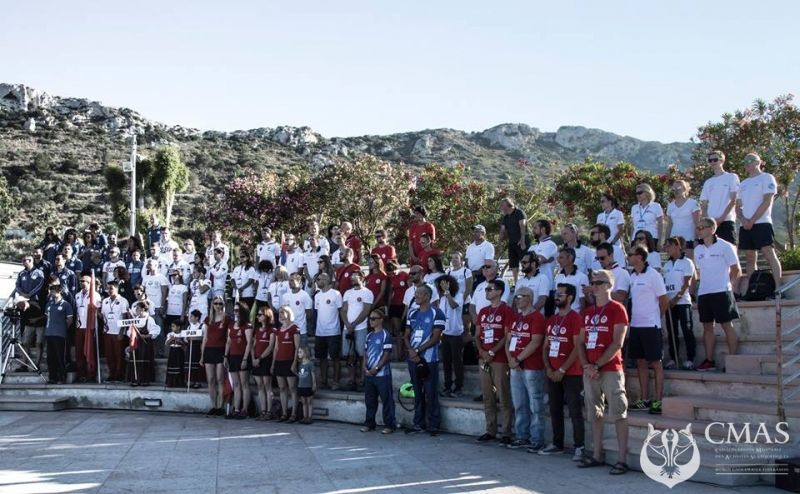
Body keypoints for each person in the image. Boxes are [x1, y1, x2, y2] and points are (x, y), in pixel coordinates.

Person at [576, 270, 630, 475]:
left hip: (610, 369)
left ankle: (622, 460)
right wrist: (586, 366)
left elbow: (617, 343)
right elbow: (580, 342)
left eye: (599, 282)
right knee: (594, 414)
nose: (595, 285)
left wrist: (596, 365)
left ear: (609, 285)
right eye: (593, 282)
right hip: (590, 371)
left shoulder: (618, 309)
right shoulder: (587, 312)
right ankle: (597, 454)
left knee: (618, 413)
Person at [540, 284, 584, 459]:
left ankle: (579, 446)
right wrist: (549, 368)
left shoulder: (576, 318)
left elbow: (577, 347)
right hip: (552, 372)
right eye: (556, 294)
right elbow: (545, 346)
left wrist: (562, 369)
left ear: (570, 298)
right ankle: (557, 443)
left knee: (574, 410)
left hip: (571, 373)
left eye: (560, 294)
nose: (556, 297)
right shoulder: (551, 319)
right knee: (554, 409)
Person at [694, 217, 741, 371]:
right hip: (704, 292)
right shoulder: (698, 250)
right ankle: (709, 360)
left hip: (722, 291)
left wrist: (729, 286)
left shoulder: (725, 246)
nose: (699, 230)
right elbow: (699, 271)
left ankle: (732, 361)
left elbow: (736, 269)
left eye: (702, 227)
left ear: (712, 229)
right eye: (698, 227)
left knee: (727, 326)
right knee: (707, 327)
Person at [627, 244, 668, 415]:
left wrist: (656, 318)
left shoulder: (654, 275)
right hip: (636, 326)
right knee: (640, 362)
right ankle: (644, 399)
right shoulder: (632, 276)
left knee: (656, 363)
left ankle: (658, 401)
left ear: (640, 257)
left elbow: (664, 300)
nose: (628, 257)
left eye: (631, 254)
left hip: (651, 326)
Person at [506, 286, 547, 451]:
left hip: (532, 367)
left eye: (519, 297)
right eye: (515, 297)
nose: (516, 300)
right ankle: (521, 436)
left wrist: (517, 359)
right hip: (515, 367)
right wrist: (511, 360)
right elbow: (508, 340)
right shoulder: (515, 318)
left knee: (535, 405)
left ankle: (537, 439)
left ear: (529, 298)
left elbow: (535, 342)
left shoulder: (537, 318)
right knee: (519, 404)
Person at [476, 279, 515, 444]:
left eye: (490, 289)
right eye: (486, 289)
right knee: (487, 395)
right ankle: (490, 429)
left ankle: (506, 431)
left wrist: (492, 351)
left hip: (499, 359)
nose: (487, 292)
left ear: (499, 291)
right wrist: (482, 351)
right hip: (483, 358)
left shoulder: (507, 310)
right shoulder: (483, 311)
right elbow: (477, 334)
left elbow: (507, 336)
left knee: (503, 395)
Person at [737, 152, 782, 291]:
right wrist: (743, 220)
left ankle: (779, 288)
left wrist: (752, 220)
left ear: (759, 162)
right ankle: (753, 289)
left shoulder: (767, 178)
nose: (747, 163)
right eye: (745, 161)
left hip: (762, 222)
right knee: (750, 257)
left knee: (769, 253)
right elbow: (737, 206)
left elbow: (767, 201)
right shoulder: (743, 183)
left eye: (751, 160)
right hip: (745, 225)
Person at [404, 284, 444, 436]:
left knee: (430, 392)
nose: (416, 296)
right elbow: (406, 335)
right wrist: (411, 351)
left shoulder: (437, 313)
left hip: (429, 359)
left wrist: (417, 351)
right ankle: (418, 423)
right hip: (413, 358)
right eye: (416, 294)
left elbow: (436, 337)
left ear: (427, 296)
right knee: (417, 392)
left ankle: (434, 424)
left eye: (419, 294)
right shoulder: (412, 313)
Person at [662, 237, 697, 370]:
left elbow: (687, 283)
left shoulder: (687, 262)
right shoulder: (666, 265)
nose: (666, 249)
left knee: (687, 330)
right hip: (669, 303)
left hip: (683, 302)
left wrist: (677, 298)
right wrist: (667, 300)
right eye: (665, 246)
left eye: (669, 246)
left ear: (677, 246)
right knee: (672, 332)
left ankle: (690, 359)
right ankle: (673, 358)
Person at [361, 308, 396, 433]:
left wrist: (376, 368)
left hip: (382, 375)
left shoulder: (386, 335)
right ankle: (369, 423)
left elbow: (387, 355)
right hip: (369, 374)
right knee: (370, 400)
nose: (371, 321)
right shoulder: (369, 335)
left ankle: (390, 425)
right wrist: (364, 366)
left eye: (373, 319)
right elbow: (365, 353)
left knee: (387, 400)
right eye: (370, 319)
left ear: (381, 320)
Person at [341, 271, 374, 391]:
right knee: (349, 355)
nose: (352, 279)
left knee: (361, 354)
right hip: (347, 328)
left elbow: (366, 311)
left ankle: (362, 380)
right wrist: (347, 324)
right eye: (351, 277)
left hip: (361, 328)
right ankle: (351, 379)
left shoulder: (367, 292)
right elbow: (343, 310)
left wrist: (354, 324)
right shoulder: (347, 293)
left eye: (354, 277)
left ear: (362, 278)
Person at [700, 150, 739, 245]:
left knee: (730, 249)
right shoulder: (708, 182)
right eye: (710, 160)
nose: (712, 162)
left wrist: (721, 218)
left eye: (715, 159)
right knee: (711, 250)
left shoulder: (731, 177)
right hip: (711, 224)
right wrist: (706, 221)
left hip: (727, 220)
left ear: (722, 160)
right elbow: (704, 204)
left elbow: (733, 200)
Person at [313, 273, 343, 390]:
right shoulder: (317, 296)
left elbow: (341, 311)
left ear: (326, 280)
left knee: (335, 358)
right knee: (322, 358)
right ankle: (323, 381)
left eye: (318, 279)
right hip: (320, 332)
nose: (317, 281)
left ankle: (336, 381)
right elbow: (317, 313)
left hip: (333, 331)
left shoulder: (336, 294)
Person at [272, 306, 301, 422]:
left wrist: (294, 363)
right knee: (282, 388)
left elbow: (297, 347)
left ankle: (293, 413)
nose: (280, 315)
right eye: (279, 313)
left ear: (288, 313)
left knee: (292, 388)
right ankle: (284, 413)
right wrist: (273, 363)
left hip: (290, 361)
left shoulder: (294, 328)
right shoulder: (279, 330)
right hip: (279, 361)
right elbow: (276, 348)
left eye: (282, 312)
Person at [224, 301, 253, 419]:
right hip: (233, 356)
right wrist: (225, 356)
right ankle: (236, 409)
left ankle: (244, 409)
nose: (235, 312)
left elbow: (249, 343)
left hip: (242, 356)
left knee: (244, 384)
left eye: (237, 310)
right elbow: (228, 341)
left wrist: (245, 359)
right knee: (236, 384)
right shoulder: (231, 325)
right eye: (234, 310)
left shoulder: (247, 325)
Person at [437, 274, 464, 397]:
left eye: (444, 284)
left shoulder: (458, 295)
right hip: (445, 334)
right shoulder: (442, 299)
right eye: (441, 285)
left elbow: (453, 305)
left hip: (456, 334)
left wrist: (448, 293)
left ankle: (458, 387)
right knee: (446, 362)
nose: (442, 287)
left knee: (457, 362)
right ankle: (447, 386)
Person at [201, 296, 228, 416]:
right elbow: (205, 338)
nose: (218, 306)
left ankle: (220, 406)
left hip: (220, 350)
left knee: (220, 379)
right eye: (216, 303)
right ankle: (214, 405)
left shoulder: (226, 318)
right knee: (210, 380)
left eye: (220, 303)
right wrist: (202, 355)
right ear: (212, 305)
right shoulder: (208, 319)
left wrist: (226, 354)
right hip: (209, 350)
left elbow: (228, 338)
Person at [101, 281, 129, 382]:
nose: (109, 290)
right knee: (109, 354)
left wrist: (121, 332)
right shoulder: (105, 301)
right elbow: (103, 316)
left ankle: (119, 375)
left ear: (116, 288)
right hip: (108, 331)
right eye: (108, 288)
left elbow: (125, 317)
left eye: (111, 288)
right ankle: (111, 374)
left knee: (119, 354)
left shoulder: (123, 301)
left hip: (118, 332)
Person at [45, 282, 73, 384]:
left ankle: (62, 377)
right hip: (49, 333)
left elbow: (70, 320)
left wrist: (62, 328)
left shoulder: (66, 304)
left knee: (60, 357)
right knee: (50, 357)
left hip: (60, 334)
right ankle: (52, 377)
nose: (52, 293)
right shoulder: (49, 304)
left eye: (53, 291)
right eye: (51, 291)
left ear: (59, 291)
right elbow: (47, 317)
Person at [73, 274, 100, 382]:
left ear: (89, 283)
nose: (81, 283)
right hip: (79, 327)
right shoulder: (77, 295)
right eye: (80, 281)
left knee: (90, 351)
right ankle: (81, 374)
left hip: (90, 327)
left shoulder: (95, 295)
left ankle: (91, 374)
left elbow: (98, 311)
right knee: (79, 351)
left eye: (83, 281)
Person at [126, 301, 160, 387]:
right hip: (136, 343)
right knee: (135, 361)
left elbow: (155, 331)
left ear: (142, 309)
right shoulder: (134, 320)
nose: (136, 310)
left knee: (144, 361)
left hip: (145, 344)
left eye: (137, 308)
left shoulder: (149, 319)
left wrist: (146, 336)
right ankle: (135, 380)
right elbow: (129, 331)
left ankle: (144, 380)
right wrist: (132, 335)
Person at [252, 306, 276, 420]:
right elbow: (253, 345)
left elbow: (271, 347)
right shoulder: (257, 330)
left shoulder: (272, 330)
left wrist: (260, 358)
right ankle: (263, 410)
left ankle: (269, 411)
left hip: (266, 360)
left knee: (267, 386)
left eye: (260, 315)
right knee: (260, 386)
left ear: (266, 316)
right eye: (257, 315)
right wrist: (253, 358)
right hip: (256, 360)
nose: (258, 317)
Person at [666, 179, 700, 258]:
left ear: (685, 189)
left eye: (678, 189)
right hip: (674, 240)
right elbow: (669, 225)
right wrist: (666, 241)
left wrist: (697, 239)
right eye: (674, 189)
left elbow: (697, 223)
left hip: (689, 239)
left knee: (688, 261)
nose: (676, 191)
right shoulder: (670, 206)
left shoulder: (693, 203)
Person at [499, 198, 528, 283]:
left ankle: (527, 281)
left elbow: (522, 226)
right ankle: (516, 283)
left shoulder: (519, 212)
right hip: (512, 243)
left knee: (525, 262)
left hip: (521, 242)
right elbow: (502, 230)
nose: (501, 208)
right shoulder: (506, 217)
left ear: (507, 206)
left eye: (502, 206)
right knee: (514, 265)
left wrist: (522, 240)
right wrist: (500, 243)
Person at [553, 247, 589, 312]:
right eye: (558, 258)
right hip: (558, 315)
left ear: (570, 258)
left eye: (561, 258)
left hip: (574, 315)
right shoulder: (558, 277)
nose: (558, 260)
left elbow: (582, 302)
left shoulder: (582, 277)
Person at [529, 220, 558, 294]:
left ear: (543, 229)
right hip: (532, 287)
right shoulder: (532, 247)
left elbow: (538, 261)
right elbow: (525, 264)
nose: (533, 230)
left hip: (547, 288)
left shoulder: (551, 245)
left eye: (535, 228)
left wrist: (534, 260)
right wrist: (544, 260)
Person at [596, 193, 627, 265]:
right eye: (600, 202)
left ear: (609, 202)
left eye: (603, 201)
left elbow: (621, 230)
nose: (601, 204)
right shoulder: (599, 216)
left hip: (615, 246)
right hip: (602, 246)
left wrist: (612, 242)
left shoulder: (618, 214)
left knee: (616, 266)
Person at [631, 183, 664, 249]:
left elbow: (660, 224)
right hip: (636, 239)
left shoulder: (656, 206)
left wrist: (660, 240)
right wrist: (631, 241)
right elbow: (632, 226)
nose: (637, 195)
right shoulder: (634, 207)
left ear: (647, 192)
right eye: (636, 193)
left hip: (651, 238)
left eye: (640, 193)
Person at [283, 273, 313, 346]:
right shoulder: (285, 296)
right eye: (289, 281)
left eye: (292, 280)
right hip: (288, 330)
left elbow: (309, 314)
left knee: (302, 351)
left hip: (301, 331)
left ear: (299, 281)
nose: (290, 283)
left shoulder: (305, 295)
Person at [184, 309, 205, 388]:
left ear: (197, 318)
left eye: (192, 316)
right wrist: (188, 339)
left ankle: (197, 381)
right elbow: (185, 338)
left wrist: (195, 338)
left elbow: (204, 337)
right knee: (189, 364)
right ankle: (190, 380)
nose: (190, 318)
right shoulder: (189, 327)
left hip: (198, 347)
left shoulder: (202, 326)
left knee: (197, 364)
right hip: (190, 346)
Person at [295, 345, 316, 424]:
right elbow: (300, 375)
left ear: (305, 353)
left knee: (309, 402)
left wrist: (314, 384)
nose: (298, 354)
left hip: (308, 386)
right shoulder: (300, 364)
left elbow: (313, 375)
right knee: (304, 402)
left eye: (300, 352)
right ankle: (305, 417)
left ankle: (309, 417)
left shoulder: (310, 364)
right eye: (298, 352)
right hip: (301, 386)